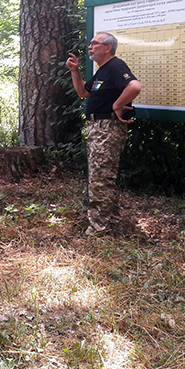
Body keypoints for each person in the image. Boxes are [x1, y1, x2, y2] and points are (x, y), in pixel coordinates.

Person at [66, 32, 142, 236]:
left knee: (99, 179)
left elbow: (134, 86)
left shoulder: (116, 66)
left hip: (107, 128)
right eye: (90, 43)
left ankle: (98, 229)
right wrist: (75, 70)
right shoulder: (103, 70)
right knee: (103, 177)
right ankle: (112, 222)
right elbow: (83, 92)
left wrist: (117, 105)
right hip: (97, 128)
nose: (90, 47)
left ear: (108, 48)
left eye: (94, 43)